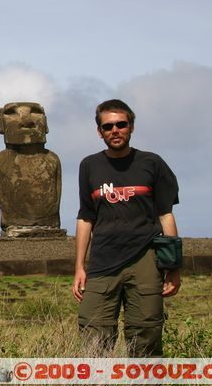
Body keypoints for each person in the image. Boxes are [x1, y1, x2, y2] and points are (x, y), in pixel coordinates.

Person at [72, 99, 181, 357]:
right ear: (99, 131)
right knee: (93, 336)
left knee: (146, 335)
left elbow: (166, 215)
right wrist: (79, 266)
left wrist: (174, 267)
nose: (115, 130)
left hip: (145, 259)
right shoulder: (89, 165)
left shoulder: (152, 163)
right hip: (102, 262)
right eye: (108, 126)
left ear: (131, 126)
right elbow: (86, 217)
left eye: (121, 124)